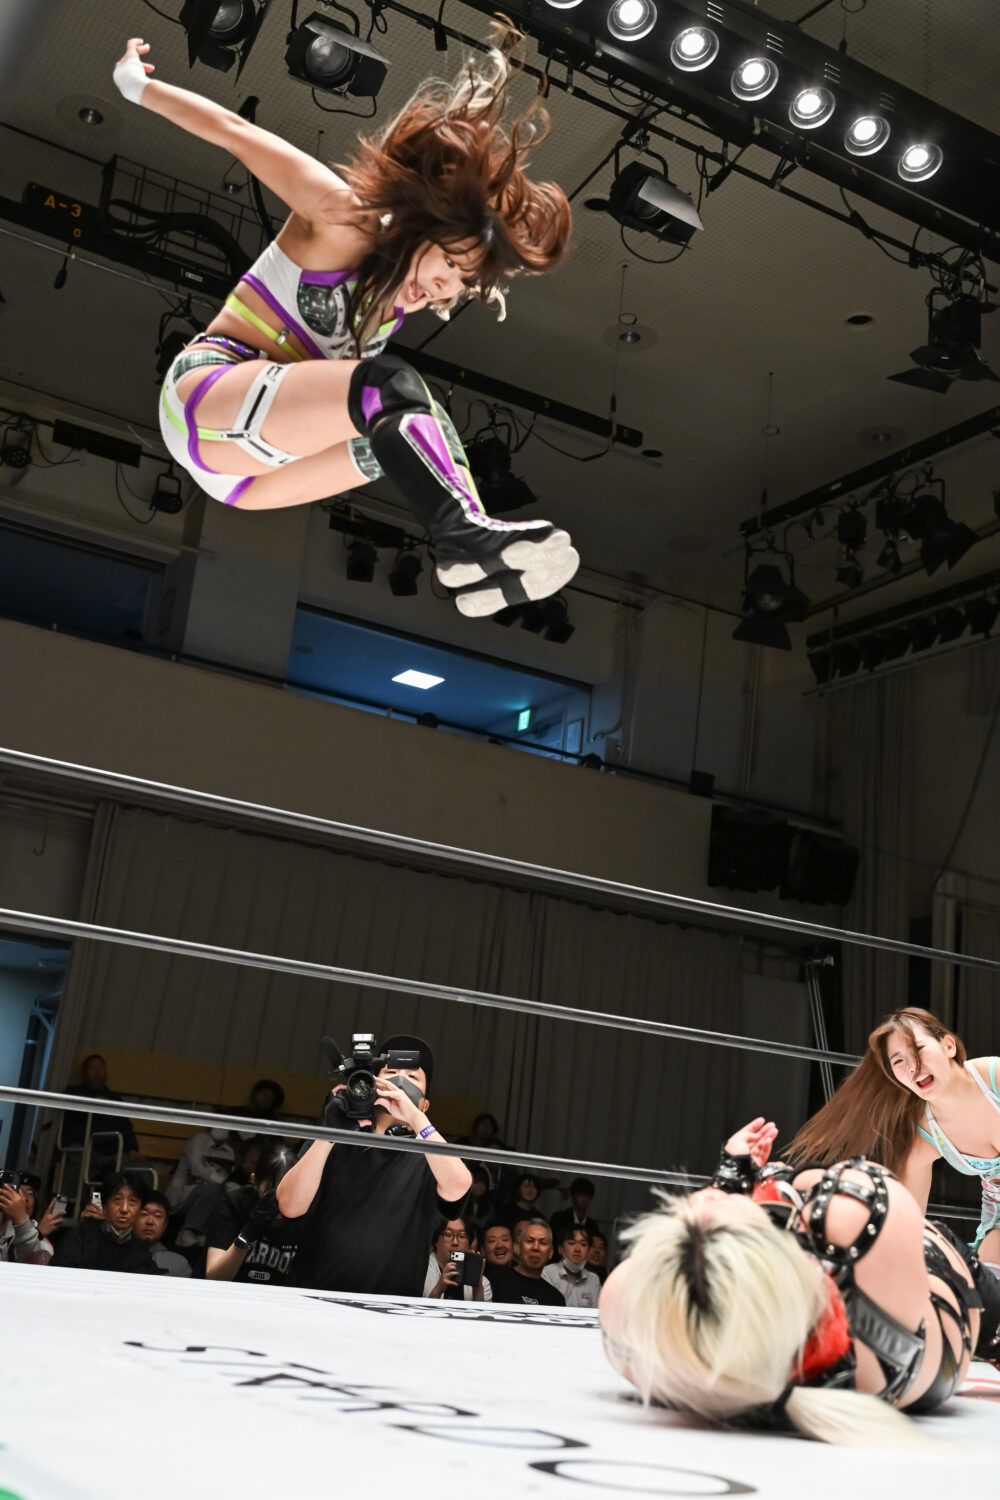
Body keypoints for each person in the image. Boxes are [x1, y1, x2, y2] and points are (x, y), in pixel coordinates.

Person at [111, 30, 577, 620]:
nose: (442, 289)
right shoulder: (341, 218)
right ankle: (463, 536)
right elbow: (237, 133)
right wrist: (137, 86)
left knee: (425, 425)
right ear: (425, 226)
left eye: (458, 287)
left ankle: (478, 551)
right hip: (205, 402)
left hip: (252, 484)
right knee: (390, 386)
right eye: (448, 266)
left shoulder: (399, 299)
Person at [599, 1115, 1000, 1445]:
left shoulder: (647, 1334)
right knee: (798, 1182)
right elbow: (846, 1183)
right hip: (953, 1291)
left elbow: (677, 1279)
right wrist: (742, 1185)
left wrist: (732, 1186)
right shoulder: (858, 1216)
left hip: (896, 1339)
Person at [786, 1006, 1000, 1270]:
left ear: (948, 1046)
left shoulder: (994, 1077)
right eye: (898, 1061)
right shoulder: (927, 1134)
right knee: (987, 1282)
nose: (912, 1066)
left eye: (919, 1048)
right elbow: (910, 1222)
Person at [277, 1034, 471, 1295]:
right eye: (390, 1072)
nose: (400, 1082)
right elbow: (289, 1206)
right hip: (314, 1298)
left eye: (413, 1077)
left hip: (390, 1309)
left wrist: (415, 1118)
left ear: (425, 1105)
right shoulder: (336, 1138)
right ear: (372, 1083)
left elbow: (459, 1185)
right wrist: (329, 1134)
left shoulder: (431, 1157)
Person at [205, 1142, 298, 1285]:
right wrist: (249, 1233)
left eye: (288, 1192)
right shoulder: (234, 1203)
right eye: (271, 1193)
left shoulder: (305, 1213)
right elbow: (214, 1277)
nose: (279, 1201)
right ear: (254, 1181)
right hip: (227, 1293)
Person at [50, 1172, 158, 1274]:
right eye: (117, 1200)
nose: (124, 1209)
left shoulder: (142, 1252)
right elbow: (60, 1271)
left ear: (140, 1210)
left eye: (132, 1202)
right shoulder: (82, 1235)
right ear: (104, 1207)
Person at [61, 1052, 140, 1159]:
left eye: (101, 1068)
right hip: (83, 1147)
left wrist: (132, 1148)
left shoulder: (115, 1099)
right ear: (84, 1072)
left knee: (136, 1165)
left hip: (112, 1151)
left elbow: (125, 1125)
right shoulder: (73, 1094)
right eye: (92, 1068)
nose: (97, 1072)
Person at [489, 1217, 565, 1307]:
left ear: (551, 1252)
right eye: (530, 1241)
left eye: (543, 1243)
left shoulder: (556, 1299)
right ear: (518, 1248)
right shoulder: (494, 1282)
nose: (535, 1247)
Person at [423, 1215, 492, 1301]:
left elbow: (481, 1310)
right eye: (448, 1235)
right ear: (436, 1241)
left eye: (462, 1236)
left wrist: (477, 1288)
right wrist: (439, 1289)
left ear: (469, 1245)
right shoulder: (421, 1273)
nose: (455, 1242)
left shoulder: (483, 1283)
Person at [134, 1191, 192, 1277]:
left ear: (165, 1225)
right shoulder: (118, 1255)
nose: (150, 1221)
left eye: (158, 1216)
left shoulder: (178, 1263)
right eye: (144, 1214)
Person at [542, 1225, 601, 1308]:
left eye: (583, 1244)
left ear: (588, 1250)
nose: (577, 1249)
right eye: (571, 1243)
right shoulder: (547, 1273)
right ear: (560, 1249)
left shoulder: (593, 1280)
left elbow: (598, 1312)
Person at [0, 1176, 47, 1264]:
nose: (23, 1199)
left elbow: (36, 1265)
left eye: (29, 1194)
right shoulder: (5, 1228)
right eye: (18, 1191)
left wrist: (38, 1233)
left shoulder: (44, 1243)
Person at [550, 1176, 599, 1245]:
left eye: (587, 1196)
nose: (584, 1199)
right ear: (573, 1197)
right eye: (580, 1195)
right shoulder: (559, 1218)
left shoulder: (592, 1225)